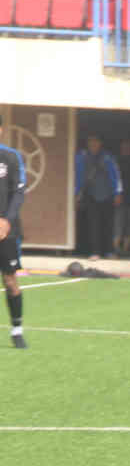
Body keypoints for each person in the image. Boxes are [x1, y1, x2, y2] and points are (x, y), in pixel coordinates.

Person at [0, 116, 28, 349]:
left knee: (10, 280)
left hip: (5, 231)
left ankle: (17, 329)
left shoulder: (11, 157)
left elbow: (19, 192)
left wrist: (6, 220)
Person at [74, 133, 123, 261]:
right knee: (92, 225)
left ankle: (109, 251)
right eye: (91, 141)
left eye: (95, 141)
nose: (93, 144)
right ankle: (94, 252)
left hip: (107, 194)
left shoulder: (108, 157)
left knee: (108, 224)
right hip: (90, 194)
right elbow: (77, 176)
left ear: (100, 143)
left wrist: (117, 193)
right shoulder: (81, 156)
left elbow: (116, 175)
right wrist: (76, 193)